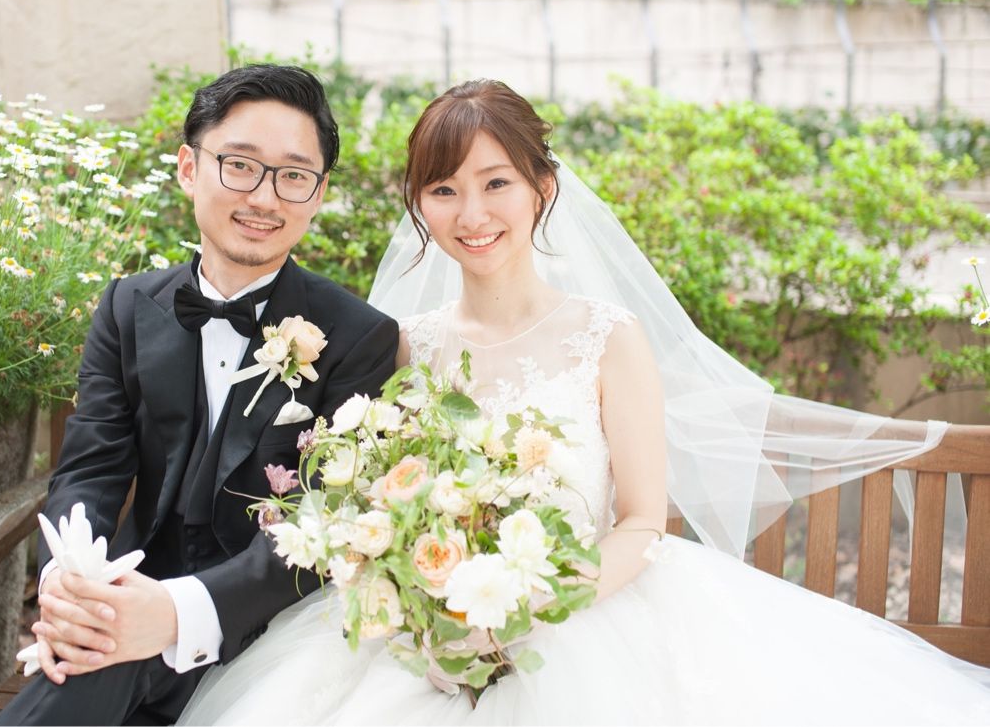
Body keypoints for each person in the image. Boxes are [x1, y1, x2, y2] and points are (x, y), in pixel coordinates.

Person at [176, 80, 990, 725]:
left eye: (496, 183)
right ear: (419, 204)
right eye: (444, 190)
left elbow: (641, 520)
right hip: (426, 630)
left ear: (542, 187)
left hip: (588, 614)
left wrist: (532, 609)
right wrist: (423, 609)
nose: (472, 214)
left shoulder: (605, 337)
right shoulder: (402, 345)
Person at [0, 64, 399, 725]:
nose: (264, 198)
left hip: (265, 627)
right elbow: (91, 470)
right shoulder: (127, 307)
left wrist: (172, 613)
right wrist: (71, 582)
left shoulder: (360, 337)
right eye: (239, 165)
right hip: (128, 596)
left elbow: (328, 523)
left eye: (293, 176)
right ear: (189, 168)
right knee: (97, 648)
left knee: (97, 660)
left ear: (319, 193)